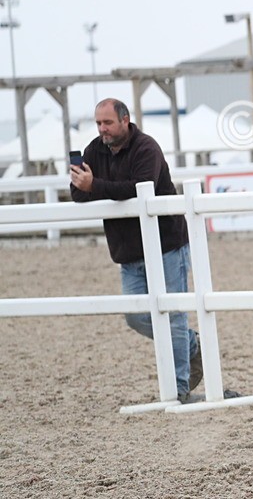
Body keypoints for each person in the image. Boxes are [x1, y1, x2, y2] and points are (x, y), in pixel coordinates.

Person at [69, 99, 211, 403]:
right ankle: (190, 344)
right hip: (129, 251)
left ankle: (179, 389)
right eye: (98, 123)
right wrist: (87, 185)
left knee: (173, 314)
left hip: (166, 244)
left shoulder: (147, 147)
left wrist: (95, 185)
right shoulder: (94, 150)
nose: (102, 129)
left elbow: (140, 188)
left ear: (124, 120)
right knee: (135, 317)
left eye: (107, 123)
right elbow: (79, 195)